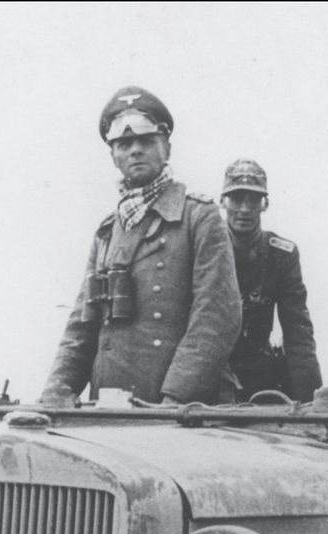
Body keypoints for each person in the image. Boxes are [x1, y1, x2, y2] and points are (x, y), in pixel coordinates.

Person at [40, 86, 242, 406]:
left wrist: (175, 399)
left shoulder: (199, 217)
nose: (135, 150)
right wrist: (56, 391)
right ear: (113, 156)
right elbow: (82, 325)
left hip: (182, 408)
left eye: (146, 141)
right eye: (124, 144)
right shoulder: (107, 231)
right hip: (110, 404)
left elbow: (216, 317)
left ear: (166, 148)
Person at [220, 159, 322, 402]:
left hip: (259, 376)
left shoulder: (281, 255)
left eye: (253, 199)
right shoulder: (204, 248)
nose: (245, 208)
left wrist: (310, 400)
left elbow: (298, 332)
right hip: (211, 372)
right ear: (223, 202)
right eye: (237, 198)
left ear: (264, 204)